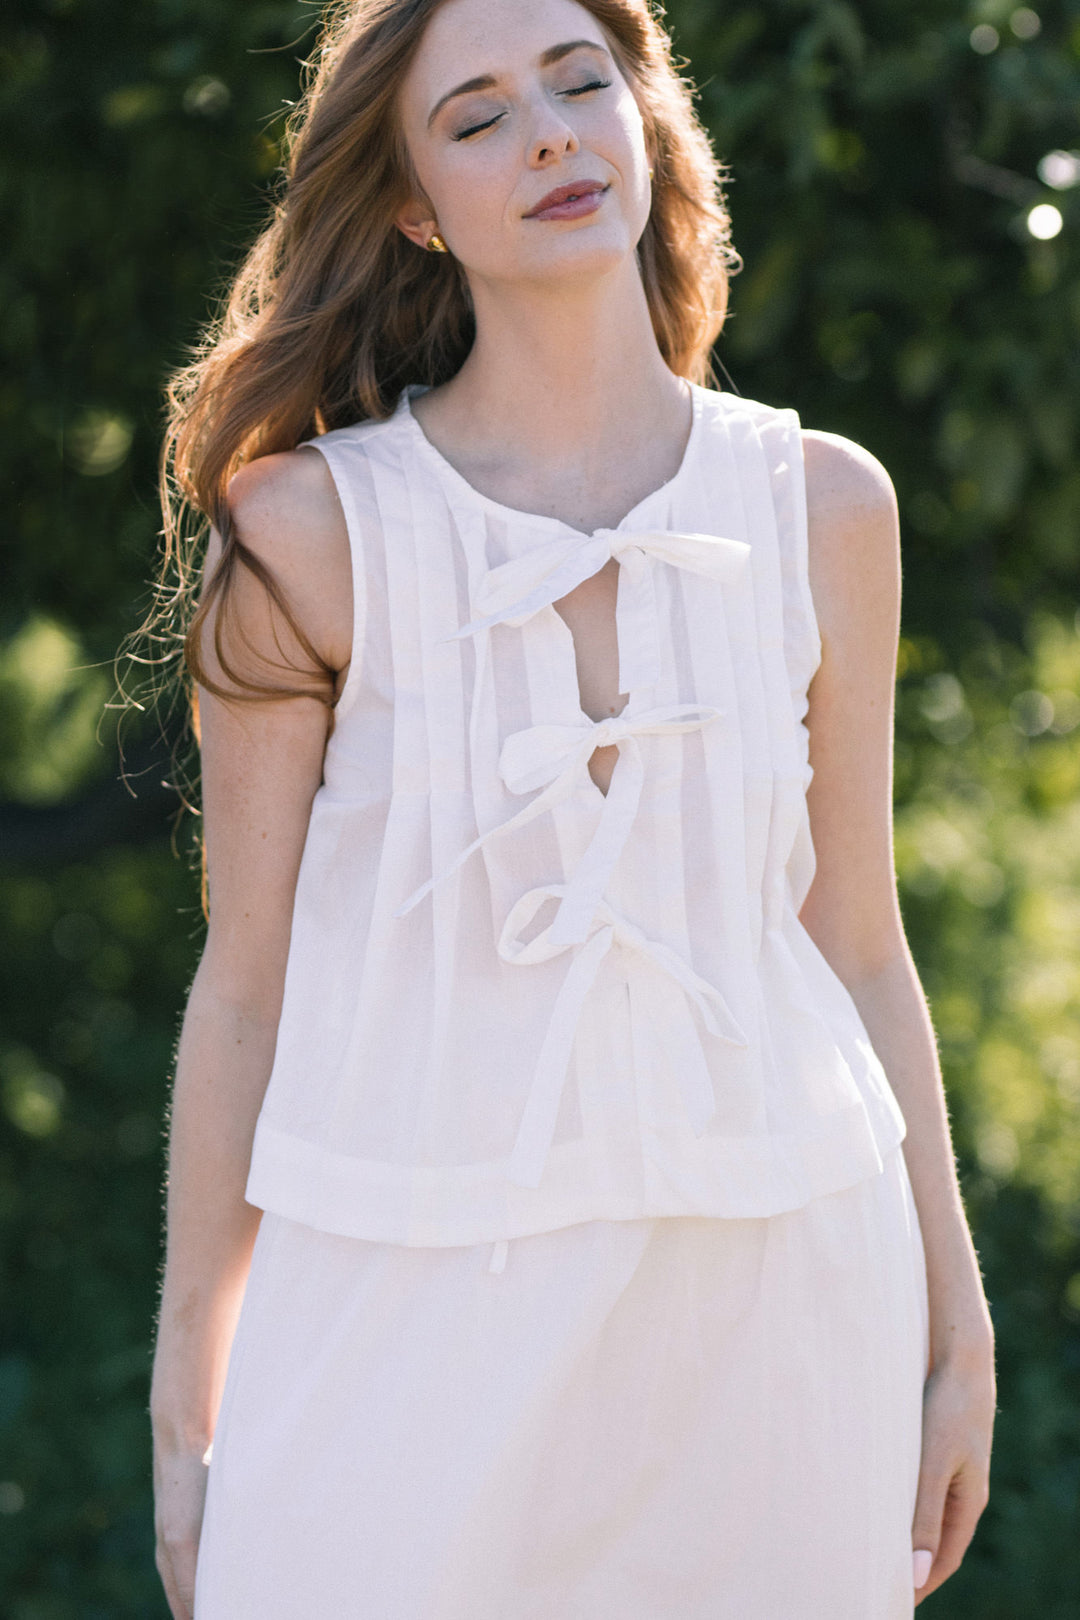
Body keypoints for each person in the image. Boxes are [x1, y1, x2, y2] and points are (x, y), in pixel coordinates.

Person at [146, 0, 996, 1614]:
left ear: (646, 117)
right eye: (473, 117)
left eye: (578, 81)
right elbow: (245, 986)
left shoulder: (825, 507)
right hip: (399, 1295)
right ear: (412, 206)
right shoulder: (309, 535)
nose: (545, 133)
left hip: (786, 1291)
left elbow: (862, 944)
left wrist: (962, 1333)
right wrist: (192, 1389)